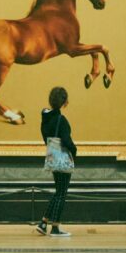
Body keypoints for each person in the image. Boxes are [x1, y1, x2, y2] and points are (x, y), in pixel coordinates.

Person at [35, 86, 77, 237]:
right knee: (62, 193)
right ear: (64, 102)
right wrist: (74, 151)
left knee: (58, 192)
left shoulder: (45, 120)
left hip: (52, 156)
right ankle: (55, 228)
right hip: (62, 158)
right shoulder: (61, 119)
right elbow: (67, 141)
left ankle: (43, 222)